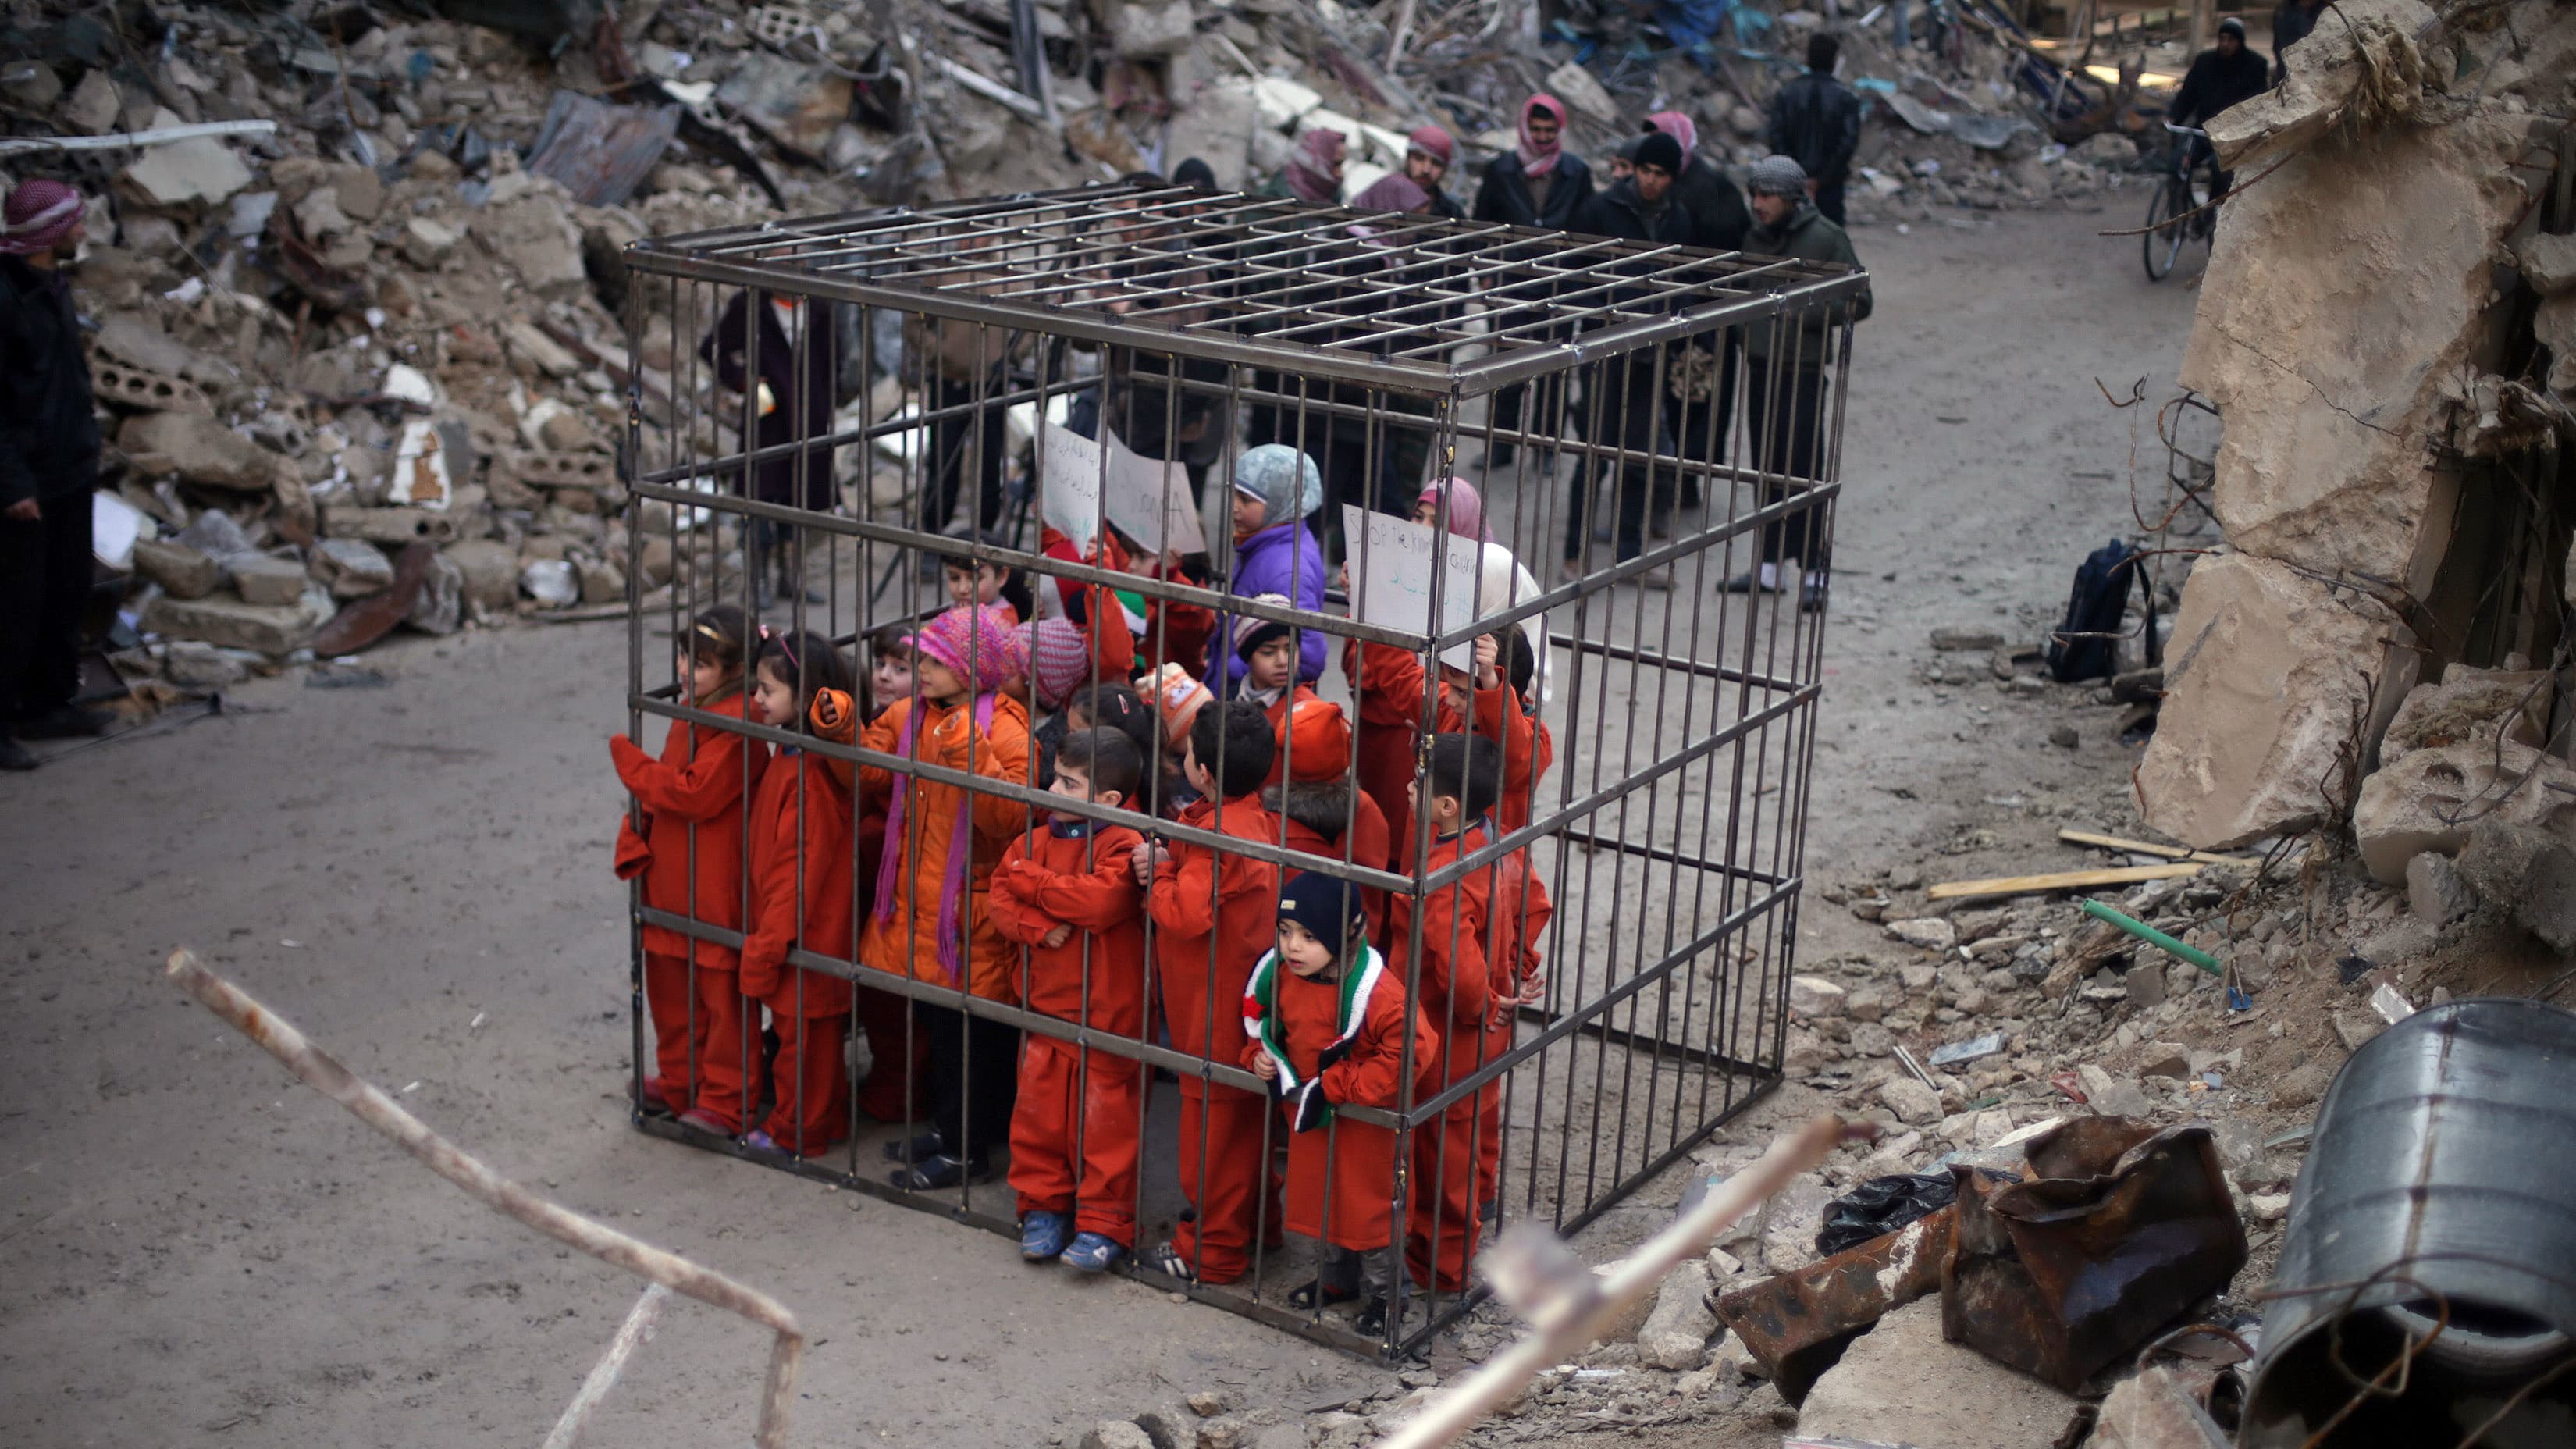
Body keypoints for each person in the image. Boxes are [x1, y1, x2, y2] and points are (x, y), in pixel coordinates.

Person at [858, 603, 1034, 1188]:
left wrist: (970, 755)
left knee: (972, 1040)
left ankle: (968, 1150)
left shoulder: (1005, 730)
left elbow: (1009, 818)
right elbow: (871, 771)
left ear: (971, 667)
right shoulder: (911, 714)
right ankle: (950, 1129)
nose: (920, 666)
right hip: (922, 903)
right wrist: (838, 733)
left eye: (935, 660)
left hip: (970, 911)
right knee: (940, 1025)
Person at [1390, 732, 1552, 1295]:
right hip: (1490, 1025)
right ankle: (1475, 1217)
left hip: (1447, 1031)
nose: (1410, 790)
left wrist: (1481, 1000)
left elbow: (1457, 972)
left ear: (1447, 805)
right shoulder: (1501, 843)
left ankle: (1442, 1271)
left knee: (1442, 1152)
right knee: (1475, 1128)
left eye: (1418, 785)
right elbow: (1536, 902)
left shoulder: (1443, 876)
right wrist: (1511, 967)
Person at [1242, 871, 1436, 1335]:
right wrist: (1257, 1056)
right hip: (1316, 1113)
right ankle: (1337, 1279)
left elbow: (1411, 1052)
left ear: (1345, 936)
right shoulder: (1281, 975)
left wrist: (1341, 1082)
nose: (1293, 947)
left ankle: (1386, 1297)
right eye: (1286, 933)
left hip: (1367, 1121)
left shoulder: (1381, 995)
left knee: (1370, 1210)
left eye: (1310, 936)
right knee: (1324, 1199)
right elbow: (1265, 1023)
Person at [990, 726, 1151, 1273]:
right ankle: (1044, 1206)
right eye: (1055, 776)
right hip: (1046, 1006)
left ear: (1108, 801)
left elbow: (1101, 903)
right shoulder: (1032, 840)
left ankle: (1105, 1221)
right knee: (1039, 1116)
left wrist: (1030, 886)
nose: (1051, 788)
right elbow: (996, 899)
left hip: (1109, 1011)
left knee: (1105, 1122)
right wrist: (1037, 927)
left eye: (1068, 782)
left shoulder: (1123, 842)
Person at [1133, 700, 1283, 1284]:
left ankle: (1211, 1254)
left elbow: (1184, 914)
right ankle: (1259, 1227)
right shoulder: (1248, 816)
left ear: (1205, 774)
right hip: (1238, 999)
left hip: (1213, 1008)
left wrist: (1160, 870)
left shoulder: (1221, 833)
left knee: (1213, 1139)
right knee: (1245, 1129)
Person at [610, 607, 770, 1132]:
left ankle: (727, 1100)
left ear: (734, 669)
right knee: (672, 994)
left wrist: (631, 764)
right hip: (674, 880)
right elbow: (670, 791)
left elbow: (693, 794)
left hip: (716, 888)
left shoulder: (741, 724)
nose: (684, 670)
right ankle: (681, 1084)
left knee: (722, 1001)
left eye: (700, 663)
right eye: (683, 657)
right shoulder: (694, 712)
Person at [1, 178, 109, 769]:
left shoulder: (52, 286)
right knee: (16, 605)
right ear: (48, 231)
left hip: (68, 467)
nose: (82, 229)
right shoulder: (6, 296)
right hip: (27, 480)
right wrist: (10, 482)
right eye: (74, 221)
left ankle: (48, 704)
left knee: (67, 591)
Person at [738, 628, 859, 1157]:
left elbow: (797, 873)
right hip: (797, 929)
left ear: (805, 696)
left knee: (804, 1045)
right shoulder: (794, 758)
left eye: (767, 690)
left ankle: (799, 1130)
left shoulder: (806, 774)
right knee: (803, 1040)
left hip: (807, 934)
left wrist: (770, 940)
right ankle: (814, 1120)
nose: (757, 699)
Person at [1734, 155, 1871, 614]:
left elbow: (1860, 299)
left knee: (1805, 470)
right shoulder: (1755, 236)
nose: (1758, 205)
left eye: (1766, 197)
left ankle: (1814, 571)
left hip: (1804, 369)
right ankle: (1769, 566)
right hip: (1761, 366)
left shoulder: (1828, 238)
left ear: (1792, 200)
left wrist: (1805, 310)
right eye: (1754, 195)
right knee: (1765, 465)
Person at [1566, 131, 1695, 580]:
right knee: (1594, 452)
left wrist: (1675, 339)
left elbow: (1685, 283)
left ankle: (1628, 554)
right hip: (1605, 349)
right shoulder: (1602, 211)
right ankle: (1574, 553)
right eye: (1645, 171)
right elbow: (1574, 274)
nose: (1650, 181)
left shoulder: (1677, 220)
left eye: (1660, 174)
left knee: (1639, 456)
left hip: (1650, 352)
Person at [1346, 625, 1551, 863]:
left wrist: (1489, 679)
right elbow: (1399, 674)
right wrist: (1370, 612)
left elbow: (1515, 753)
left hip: (1477, 884)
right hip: (1423, 870)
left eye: (1462, 693)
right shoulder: (1451, 710)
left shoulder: (1534, 740)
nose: (1450, 699)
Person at [1471, 95, 1594, 469]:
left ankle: (1544, 448)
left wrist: (1576, 280)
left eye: (1549, 131)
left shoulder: (1576, 172)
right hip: (1510, 284)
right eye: (1536, 130)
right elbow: (1481, 225)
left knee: (1554, 371)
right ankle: (1502, 445)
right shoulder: (1501, 170)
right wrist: (1487, 273)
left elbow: (1588, 230)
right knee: (1506, 367)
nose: (1542, 138)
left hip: (1557, 284)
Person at [699, 279, 838, 609]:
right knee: (760, 496)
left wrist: (824, 399)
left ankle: (791, 576)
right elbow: (712, 348)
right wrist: (741, 379)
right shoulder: (750, 306)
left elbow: (834, 358)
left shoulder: (818, 305)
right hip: (769, 417)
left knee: (800, 497)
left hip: (809, 416)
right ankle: (757, 580)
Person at [1645, 111, 1752, 507]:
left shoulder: (1711, 190)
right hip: (1668, 314)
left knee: (1692, 399)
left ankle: (1683, 480)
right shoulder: (1665, 186)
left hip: (1702, 319)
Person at [1215, 445, 1329, 686]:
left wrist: (1233, 668)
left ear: (1280, 503)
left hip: (1260, 702)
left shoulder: (1287, 570)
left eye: (1245, 500)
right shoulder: (1261, 542)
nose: (1234, 506)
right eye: (1233, 494)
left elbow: (1308, 656)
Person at [1763, 34, 1863, 226]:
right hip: (1830, 186)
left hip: (1790, 186)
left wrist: (1795, 176)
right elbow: (1847, 143)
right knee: (1829, 243)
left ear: (1808, 59)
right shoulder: (1846, 98)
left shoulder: (1787, 94)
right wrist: (1820, 179)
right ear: (1834, 62)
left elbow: (1777, 137)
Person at [2169, 17, 2272, 194]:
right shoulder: (2204, 63)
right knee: (2178, 162)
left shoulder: (2255, 66)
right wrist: (2174, 117)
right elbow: (2188, 95)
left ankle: (2209, 213)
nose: (2225, 44)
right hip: (2203, 132)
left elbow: (2258, 103)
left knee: (2220, 170)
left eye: (2231, 40)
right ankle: (2179, 203)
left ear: (2240, 42)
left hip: (2232, 136)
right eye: (2222, 39)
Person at [1261, 127, 1347, 205]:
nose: (1341, 173)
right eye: (1336, 164)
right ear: (1317, 163)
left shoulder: (1335, 198)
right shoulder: (1274, 198)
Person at [1404, 125, 1467, 220]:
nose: (1426, 170)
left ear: (1445, 169)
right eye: (1419, 159)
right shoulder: (1384, 198)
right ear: (1408, 159)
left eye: (1436, 163)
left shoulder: (1452, 213)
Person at [2271, 0, 2323, 85]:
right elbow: (2279, 46)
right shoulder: (2283, 12)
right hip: (2288, 76)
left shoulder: (2330, 10)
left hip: (2320, 76)